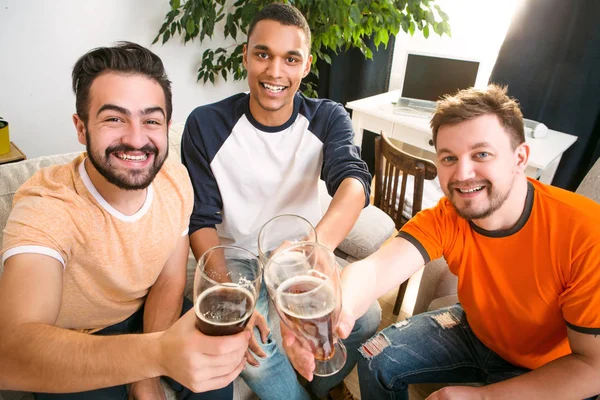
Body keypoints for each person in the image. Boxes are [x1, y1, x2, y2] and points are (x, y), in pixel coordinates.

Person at [285, 84, 600, 400]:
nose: (462, 173)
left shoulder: (584, 232)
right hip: (474, 331)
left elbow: (593, 367)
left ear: (520, 158)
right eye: (449, 158)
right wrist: (337, 307)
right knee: (373, 355)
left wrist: (483, 397)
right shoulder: (449, 216)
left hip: (547, 369)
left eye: (481, 154)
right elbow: (375, 270)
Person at [0, 42, 251, 399]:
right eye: (114, 118)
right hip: (74, 339)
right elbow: (10, 354)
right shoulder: (47, 205)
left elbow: (169, 280)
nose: (136, 139)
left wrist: (146, 375)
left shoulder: (175, 180)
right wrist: (154, 357)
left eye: (151, 120)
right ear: (81, 127)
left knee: (219, 381)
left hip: (149, 314)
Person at [181, 3, 381, 400]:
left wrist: (319, 245)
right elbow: (200, 220)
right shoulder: (206, 124)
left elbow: (355, 181)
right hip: (240, 264)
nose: (275, 72)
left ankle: (319, 383)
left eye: (290, 59)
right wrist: (229, 294)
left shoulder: (327, 117)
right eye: (263, 55)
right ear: (246, 57)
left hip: (301, 259)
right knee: (256, 354)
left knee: (367, 316)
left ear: (306, 65)